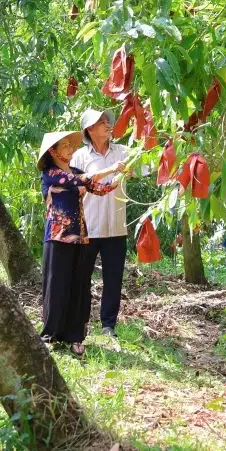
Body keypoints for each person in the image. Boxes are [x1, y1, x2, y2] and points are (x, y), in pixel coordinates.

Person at [37, 131, 123, 356]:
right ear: (53, 152)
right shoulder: (51, 174)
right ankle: (49, 335)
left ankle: (75, 335)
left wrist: (121, 175)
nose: (70, 149)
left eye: (69, 145)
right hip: (57, 237)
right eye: (64, 146)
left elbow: (100, 188)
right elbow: (83, 181)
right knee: (56, 286)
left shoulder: (76, 171)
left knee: (79, 287)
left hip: (80, 237)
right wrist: (112, 168)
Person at [71, 109, 130, 337]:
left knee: (113, 279)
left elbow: (148, 165)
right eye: (101, 122)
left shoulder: (124, 152)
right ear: (89, 129)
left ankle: (108, 325)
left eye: (108, 122)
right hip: (88, 228)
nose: (107, 125)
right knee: (82, 278)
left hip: (116, 227)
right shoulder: (79, 157)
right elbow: (74, 186)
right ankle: (81, 322)